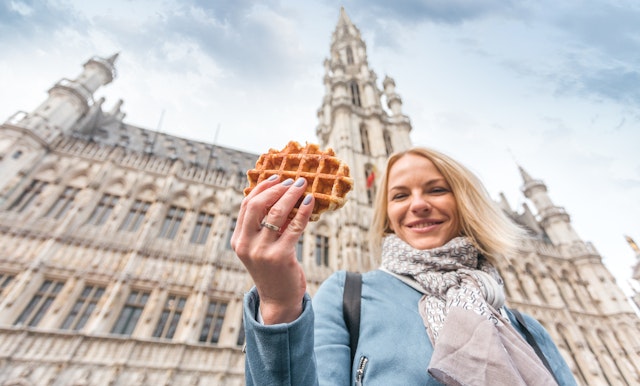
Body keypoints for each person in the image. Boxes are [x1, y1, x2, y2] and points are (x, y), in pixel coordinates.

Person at [231, 147, 577, 385]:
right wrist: (277, 305)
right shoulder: (349, 295)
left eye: (437, 189)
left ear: (466, 203)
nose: (418, 205)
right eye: (399, 195)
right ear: (386, 215)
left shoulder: (523, 325)